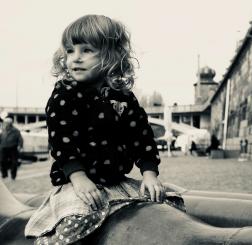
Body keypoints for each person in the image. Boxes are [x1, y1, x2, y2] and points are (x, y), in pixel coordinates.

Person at [25, 15, 184, 244]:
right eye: (70, 51)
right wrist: (78, 177)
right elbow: (61, 141)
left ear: (111, 56)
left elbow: (141, 136)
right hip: (78, 182)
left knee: (170, 203)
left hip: (115, 181)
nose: (75, 58)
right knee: (77, 221)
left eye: (86, 50)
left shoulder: (123, 97)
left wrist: (150, 174)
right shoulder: (65, 95)